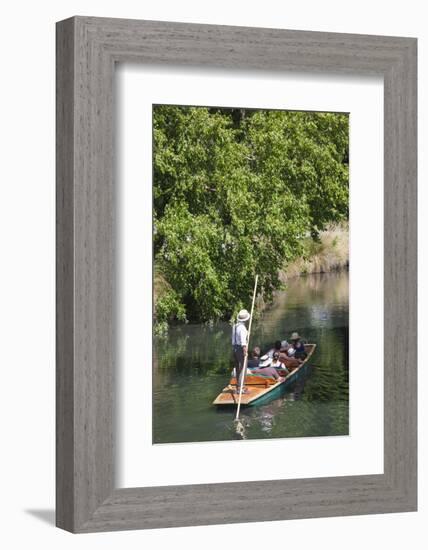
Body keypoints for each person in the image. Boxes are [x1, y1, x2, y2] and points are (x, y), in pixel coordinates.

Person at [231, 309, 250, 393]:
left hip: (234, 349)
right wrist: (245, 352)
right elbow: (243, 342)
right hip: (240, 349)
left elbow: (233, 339)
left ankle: (238, 387)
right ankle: (241, 388)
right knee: (243, 368)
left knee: (238, 368)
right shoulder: (242, 328)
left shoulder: (235, 326)